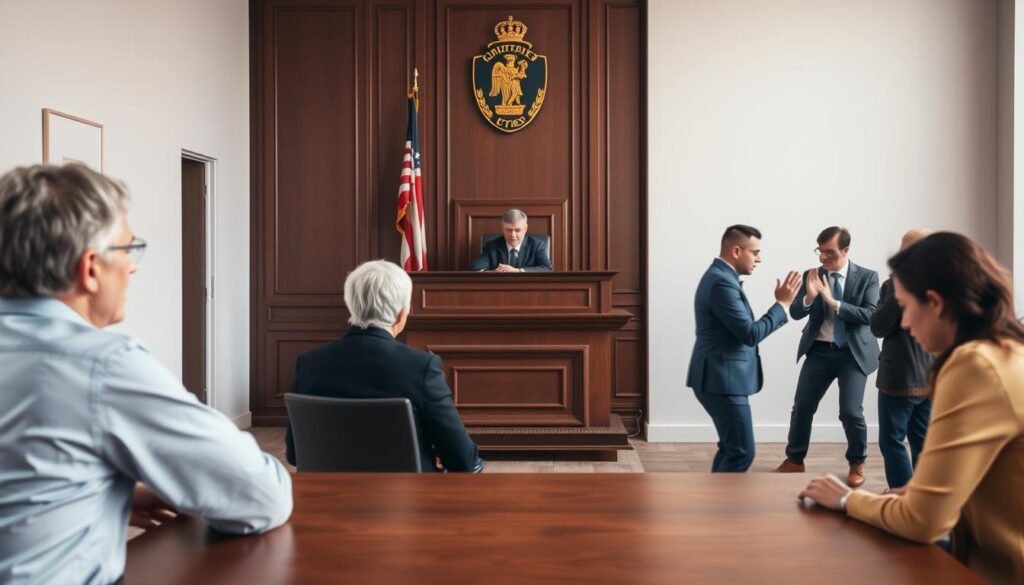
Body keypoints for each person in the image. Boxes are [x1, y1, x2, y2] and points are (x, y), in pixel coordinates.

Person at [0, 164, 292, 584]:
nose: (133, 267)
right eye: (128, 249)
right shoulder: (103, 366)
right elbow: (260, 495)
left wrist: (102, 491)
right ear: (91, 268)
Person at [799, 232, 1024, 585]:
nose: (904, 323)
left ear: (934, 303)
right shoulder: (1006, 350)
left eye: (906, 306)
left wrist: (847, 499)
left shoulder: (975, 366)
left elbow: (922, 522)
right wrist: (926, 490)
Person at [285, 260, 484, 473]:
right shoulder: (422, 367)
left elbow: (295, 454)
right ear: (401, 314)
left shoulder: (309, 364)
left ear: (351, 305)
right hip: (410, 493)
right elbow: (463, 461)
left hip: (329, 492)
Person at [687, 225, 801, 472]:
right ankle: (724, 498)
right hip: (721, 380)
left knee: (732, 448)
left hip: (720, 378)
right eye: (755, 252)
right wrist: (781, 305)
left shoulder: (721, 277)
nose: (759, 259)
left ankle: (718, 497)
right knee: (741, 452)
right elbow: (750, 334)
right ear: (737, 251)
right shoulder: (721, 283)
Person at [775, 227, 880, 487]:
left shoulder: (867, 277)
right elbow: (796, 313)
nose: (823, 258)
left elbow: (871, 314)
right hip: (819, 351)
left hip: (852, 353)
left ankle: (857, 461)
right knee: (802, 406)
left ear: (846, 250)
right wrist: (810, 297)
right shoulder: (812, 274)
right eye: (820, 252)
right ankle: (795, 460)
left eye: (829, 252)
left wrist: (834, 303)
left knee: (850, 412)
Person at [870, 229, 934, 489]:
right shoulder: (943, 284)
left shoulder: (895, 285)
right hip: (931, 378)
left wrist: (899, 287)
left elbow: (877, 326)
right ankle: (920, 494)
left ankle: (901, 495)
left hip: (899, 377)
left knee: (892, 441)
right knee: (923, 442)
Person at [470, 208, 552, 272]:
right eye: (509, 230)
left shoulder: (536, 246)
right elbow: (476, 268)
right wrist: (495, 272)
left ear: (525, 228)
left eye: (517, 230)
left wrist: (518, 271)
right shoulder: (491, 246)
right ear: (502, 228)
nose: (513, 235)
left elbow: (547, 269)